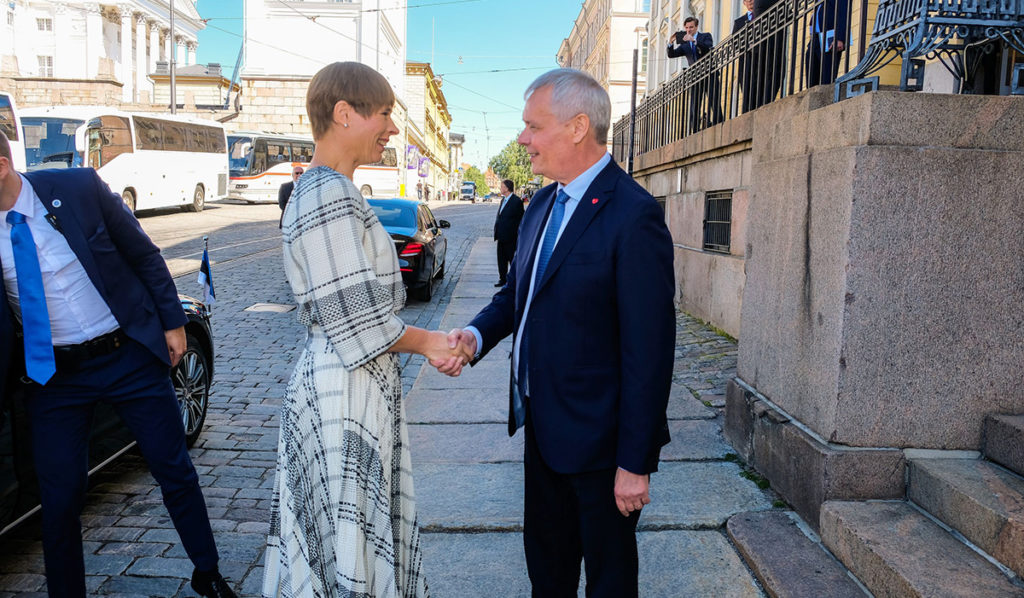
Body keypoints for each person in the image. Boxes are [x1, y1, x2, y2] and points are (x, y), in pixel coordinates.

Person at [447, 69, 675, 597]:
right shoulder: (542, 205)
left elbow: (650, 349)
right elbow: (517, 296)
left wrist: (634, 464)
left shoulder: (633, 214)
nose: (522, 139)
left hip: (603, 448)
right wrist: (476, 336)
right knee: (547, 577)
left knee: (609, 583)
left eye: (532, 126)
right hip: (542, 434)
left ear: (577, 127)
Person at [0, 132, 236, 597]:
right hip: (54, 380)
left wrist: (173, 323)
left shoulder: (79, 188)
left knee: (173, 469)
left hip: (124, 356)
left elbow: (144, 254)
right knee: (60, 500)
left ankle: (207, 573)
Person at [263, 61, 466, 597]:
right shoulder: (326, 193)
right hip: (342, 388)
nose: (393, 129)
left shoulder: (332, 189)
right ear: (344, 114)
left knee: (350, 537)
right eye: (384, 115)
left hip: (352, 384)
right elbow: (357, 319)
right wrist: (430, 343)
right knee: (345, 540)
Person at [667, 17, 722, 132]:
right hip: (695, 76)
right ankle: (694, 129)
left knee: (714, 100)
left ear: (696, 27)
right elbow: (672, 55)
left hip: (709, 73)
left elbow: (707, 48)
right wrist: (670, 42)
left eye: (691, 27)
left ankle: (719, 124)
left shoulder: (705, 36)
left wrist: (694, 40)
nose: (688, 30)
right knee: (695, 104)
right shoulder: (685, 44)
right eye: (686, 28)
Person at [806, 0, 849, 87]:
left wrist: (840, 38)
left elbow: (844, 13)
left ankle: (826, 99)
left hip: (830, 39)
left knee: (826, 80)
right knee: (811, 82)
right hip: (815, 39)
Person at [492, 178, 524, 287]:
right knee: (501, 260)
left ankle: (514, 281)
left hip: (511, 237)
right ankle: (502, 279)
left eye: (502, 186)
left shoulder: (516, 201)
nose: (500, 188)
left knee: (512, 260)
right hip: (501, 236)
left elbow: (521, 219)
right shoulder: (503, 200)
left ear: (506, 188)